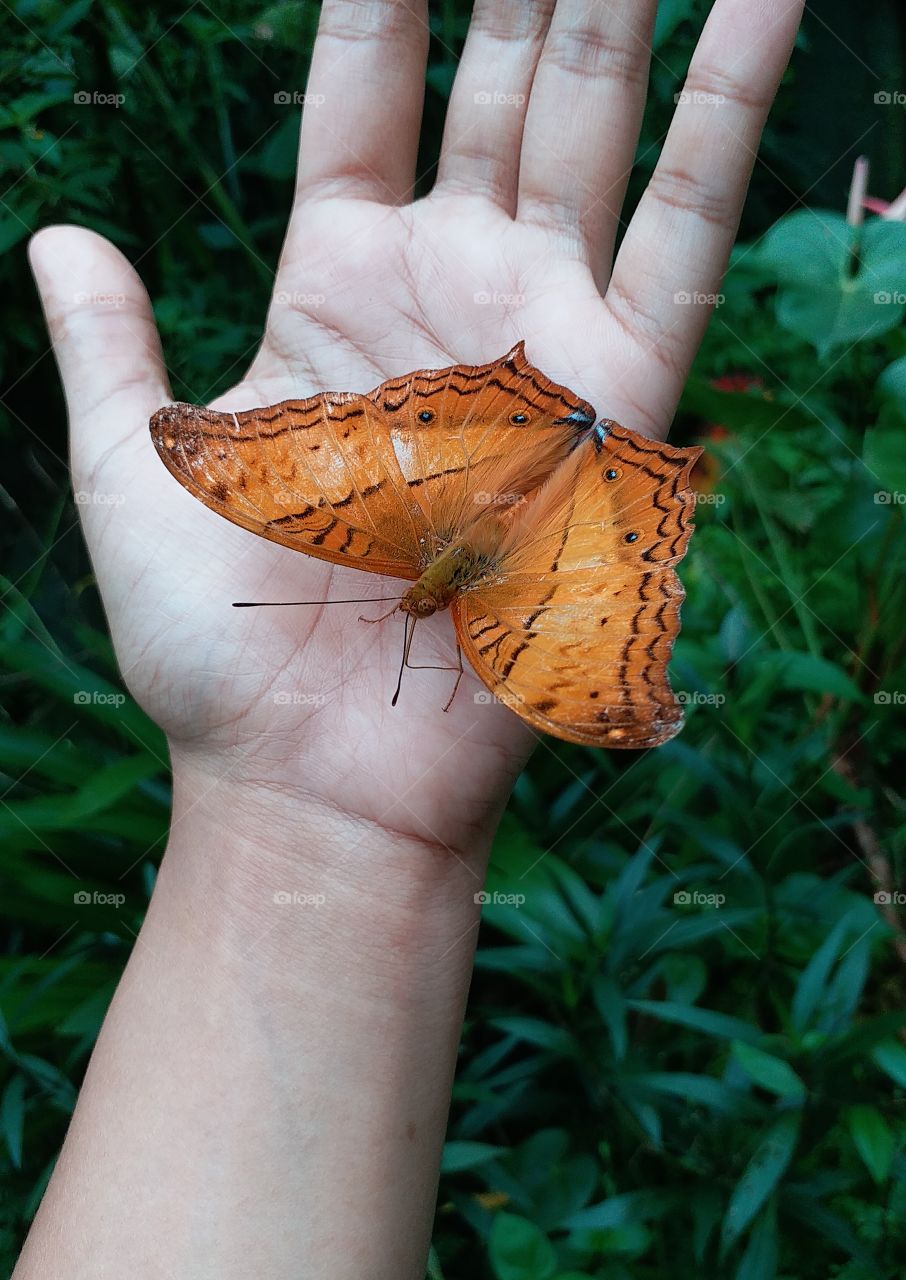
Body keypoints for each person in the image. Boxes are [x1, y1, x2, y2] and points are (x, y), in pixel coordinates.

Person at [16, 0, 804, 1274]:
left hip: (478, 446)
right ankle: (590, 464)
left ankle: (575, 456)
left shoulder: (421, 584)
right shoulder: (492, 638)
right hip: (499, 455)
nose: (418, 621)